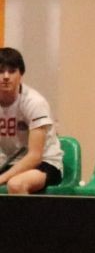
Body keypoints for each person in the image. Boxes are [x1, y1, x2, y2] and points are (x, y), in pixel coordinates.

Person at [0, 48, 67, 196]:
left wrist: (2, 178)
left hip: (45, 163)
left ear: (21, 75)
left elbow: (35, 156)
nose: (6, 77)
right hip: (11, 161)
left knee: (16, 184)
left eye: (12, 71)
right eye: (1, 71)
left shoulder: (34, 102)